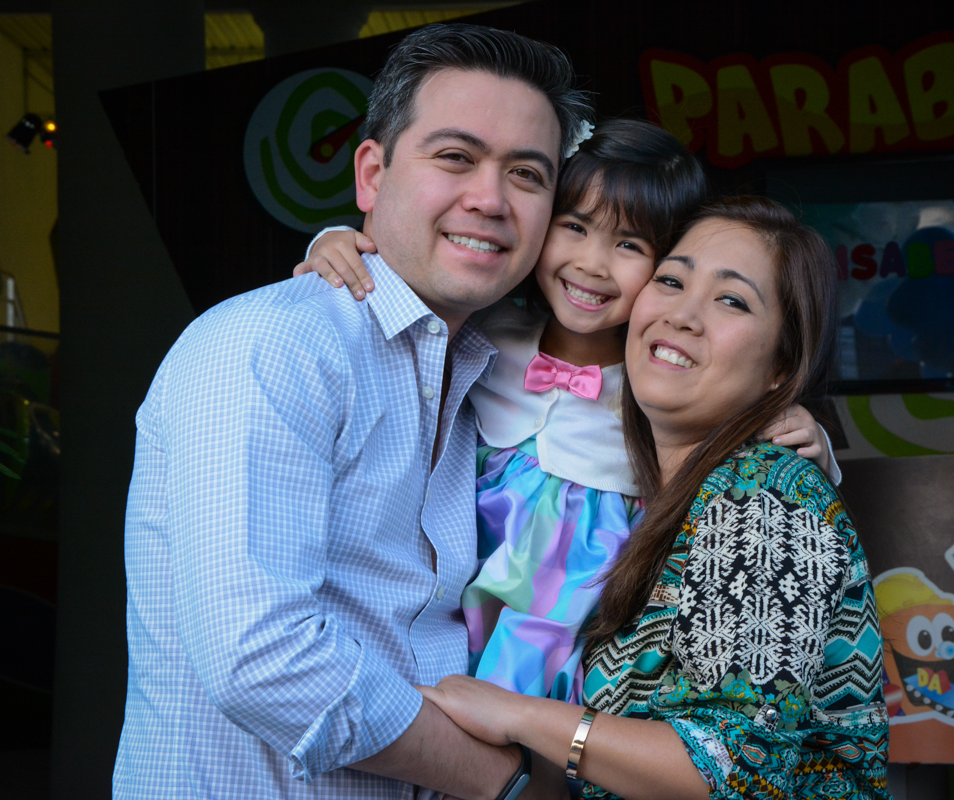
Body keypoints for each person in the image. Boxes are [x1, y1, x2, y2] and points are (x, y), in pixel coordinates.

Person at [114, 23, 593, 800]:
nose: (490, 198)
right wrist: (507, 783)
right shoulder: (274, 344)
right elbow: (261, 659)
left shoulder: (489, 374)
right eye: (455, 157)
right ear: (371, 174)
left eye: (528, 174)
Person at [297, 121, 843, 709]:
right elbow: (404, 290)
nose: (591, 263)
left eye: (630, 246)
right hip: (459, 575)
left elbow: (748, 451)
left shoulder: (660, 380)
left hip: (582, 602)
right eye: (574, 227)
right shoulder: (483, 330)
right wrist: (334, 240)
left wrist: (809, 434)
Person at [411, 197, 891, 799]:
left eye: (732, 300)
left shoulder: (765, 497)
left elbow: (735, 767)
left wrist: (517, 714)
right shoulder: (648, 500)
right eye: (670, 280)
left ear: (780, 366)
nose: (684, 315)